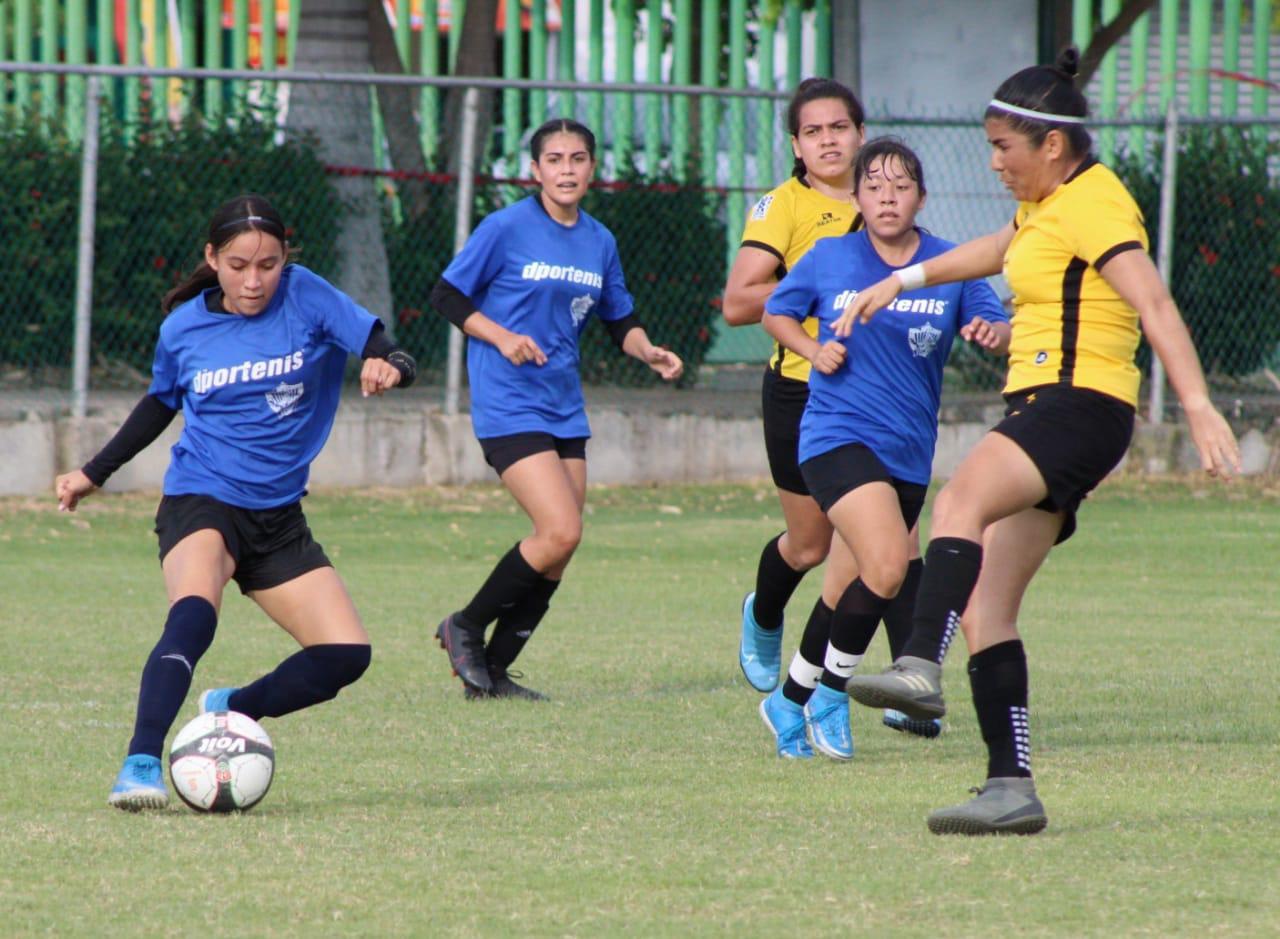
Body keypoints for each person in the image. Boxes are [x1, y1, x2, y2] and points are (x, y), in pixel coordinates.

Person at [841, 49, 1241, 834]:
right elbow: (998, 249)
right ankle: (1009, 786)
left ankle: (919, 660)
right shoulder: (1049, 204)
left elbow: (1153, 300)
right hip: (1062, 411)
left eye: (1003, 147)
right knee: (991, 609)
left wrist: (1196, 404)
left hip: (1074, 404)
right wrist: (901, 280)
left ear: (1051, 145)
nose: (994, 161)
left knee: (959, 500)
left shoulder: (1093, 203)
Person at [55, 194, 417, 811]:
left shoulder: (307, 295)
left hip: (278, 517)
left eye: (269, 264)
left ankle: (233, 710)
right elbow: (159, 404)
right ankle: (140, 762)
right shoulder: (184, 328)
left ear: (285, 260)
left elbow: (389, 347)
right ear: (212, 259)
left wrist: (391, 369)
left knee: (346, 656)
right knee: (194, 615)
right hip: (201, 498)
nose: (255, 280)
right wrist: (94, 472)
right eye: (240, 264)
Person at [758, 137, 1009, 760]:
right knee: (892, 566)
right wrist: (814, 351)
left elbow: (997, 324)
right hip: (835, 438)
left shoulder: (949, 264)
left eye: (900, 187)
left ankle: (787, 699)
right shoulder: (829, 258)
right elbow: (774, 313)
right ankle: (830, 693)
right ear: (858, 198)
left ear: (922, 197)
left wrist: (992, 332)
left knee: (845, 588)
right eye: (874, 186)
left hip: (906, 454)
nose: (887, 197)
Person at [429, 118, 683, 701]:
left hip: (563, 406)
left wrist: (648, 352)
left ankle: (491, 675)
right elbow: (446, 294)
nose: (566, 169)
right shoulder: (506, 226)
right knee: (560, 528)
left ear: (592, 168)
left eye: (577, 158)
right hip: (509, 399)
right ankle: (463, 624)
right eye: (554, 159)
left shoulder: (599, 239)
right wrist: (500, 336)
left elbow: (619, 317)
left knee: (562, 548)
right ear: (535, 170)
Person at [722, 78, 936, 743]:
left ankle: (901, 685)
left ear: (861, 133)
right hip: (804, 391)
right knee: (814, 546)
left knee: (893, 546)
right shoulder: (783, 207)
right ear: (796, 144)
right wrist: (825, 283)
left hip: (883, 404)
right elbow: (738, 302)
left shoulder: (889, 200)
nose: (827, 141)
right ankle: (766, 615)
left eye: (838, 127)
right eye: (812, 132)